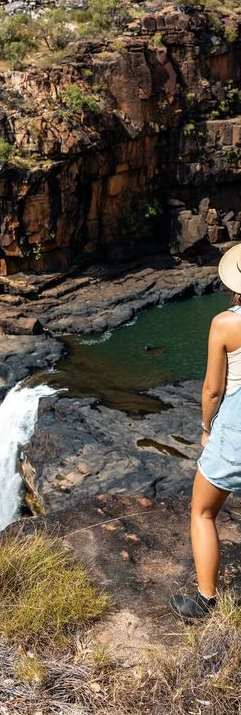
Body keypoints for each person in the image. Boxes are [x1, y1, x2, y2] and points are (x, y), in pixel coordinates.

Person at [170, 243, 241, 620]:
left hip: (236, 433)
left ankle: (205, 600)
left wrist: (205, 428)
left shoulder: (226, 324)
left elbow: (213, 389)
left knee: (202, 512)